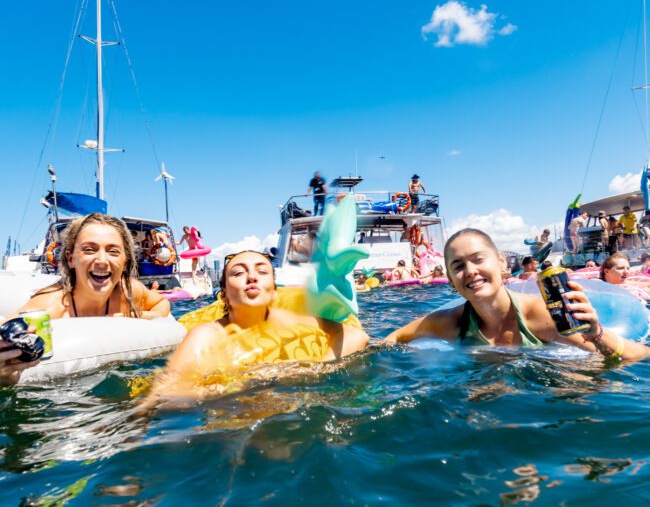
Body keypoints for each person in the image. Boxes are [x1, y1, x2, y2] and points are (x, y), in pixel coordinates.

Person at [383, 228, 649, 361]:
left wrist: (596, 333)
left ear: (501, 263)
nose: (471, 271)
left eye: (478, 260)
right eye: (459, 267)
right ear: (451, 281)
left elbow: (634, 356)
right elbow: (391, 340)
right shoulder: (449, 322)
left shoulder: (541, 316)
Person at [147, 250, 369, 400]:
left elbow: (356, 337)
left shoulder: (292, 322)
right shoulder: (206, 335)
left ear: (273, 290)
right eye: (239, 272)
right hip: (229, 419)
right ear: (223, 294)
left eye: (262, 272)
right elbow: (167, 393)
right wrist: (237, 385)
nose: (252, 276)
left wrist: (314, 370)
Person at [0, 214, 170, 384]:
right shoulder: (51, 306)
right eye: (89, 249)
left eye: (113, 251)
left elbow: (161, 303)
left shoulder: (128, 291)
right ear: (71, 259)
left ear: (125, 262)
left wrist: (137, 317)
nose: (102, 261)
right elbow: (7, 330)